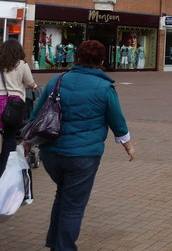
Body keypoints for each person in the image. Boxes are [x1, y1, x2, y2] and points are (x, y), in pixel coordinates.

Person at [25, 40, 135, 251]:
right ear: (101, 61)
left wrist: (28, 141)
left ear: (78, 57)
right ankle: (64, 247)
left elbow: (36, 113)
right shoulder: (105, 87)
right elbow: (117, 121)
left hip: (52, 152)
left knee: (62, 194)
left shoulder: (56, 81)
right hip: (83, 156)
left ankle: (54, 242)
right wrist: (128, 146)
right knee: (73, 204)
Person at [0, 39, 37, 176]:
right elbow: (30, 83)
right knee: (10, 136)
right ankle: (4, 169)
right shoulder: (21, 65)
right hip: (13, 105)